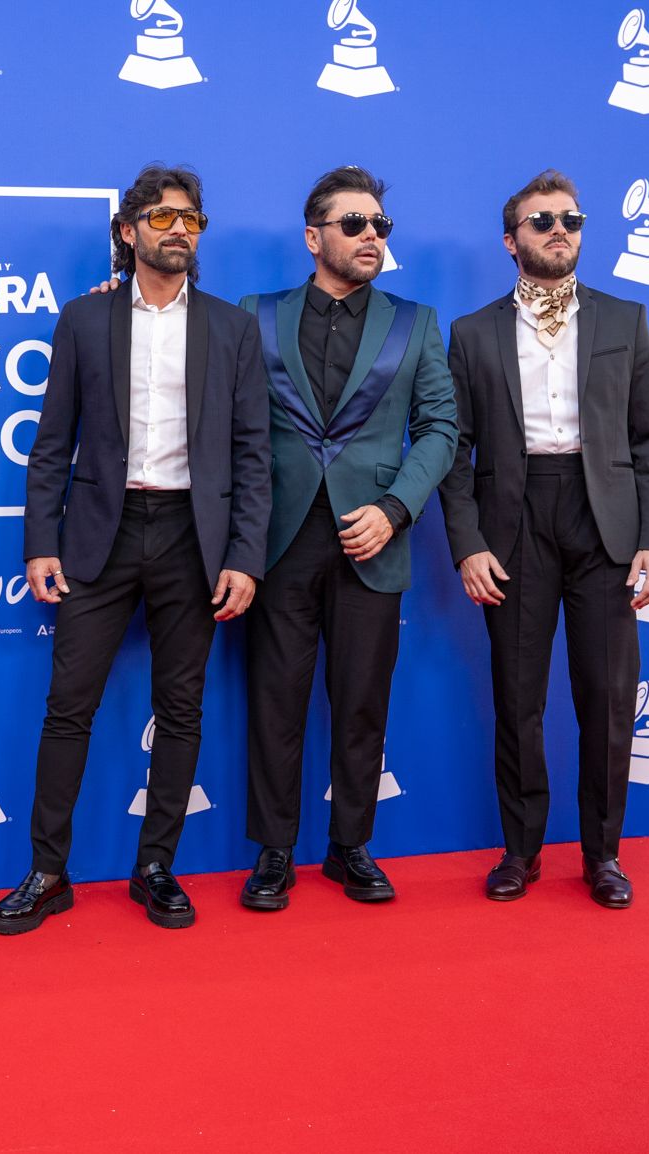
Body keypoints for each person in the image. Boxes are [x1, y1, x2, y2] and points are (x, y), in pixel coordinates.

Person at [0, 164, 271, 935]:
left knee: (180, 709)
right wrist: (39, 543)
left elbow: (253, 452)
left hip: (193, 538)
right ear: (127, 231)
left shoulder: (230, 327)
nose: (178, 229)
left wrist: (244, 555)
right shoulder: (84, 321)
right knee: (66, 708)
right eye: (162, 217)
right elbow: (51, 445)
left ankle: (155, 868)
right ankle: (48, 872)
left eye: (191, 219)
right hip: (97, 538)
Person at [438, 170, 649, 908]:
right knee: (517, 699)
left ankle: (602, 856)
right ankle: (520, 851)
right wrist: (467, 543)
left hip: (603, 519)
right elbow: (453, 449)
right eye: (540, 221)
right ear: (511, 240)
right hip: (510, 524)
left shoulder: (622, 320)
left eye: (570, 219)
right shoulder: (471, 333)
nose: (558, 230)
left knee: (606, 698)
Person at [237, 166, 457, 909]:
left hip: (372, 537)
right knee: (275, 700)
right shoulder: (253, 315)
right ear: (313, 237)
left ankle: (349, 846)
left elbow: (440, 428)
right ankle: (273, 852)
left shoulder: (414, 321)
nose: (372, 237)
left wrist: (394, 508)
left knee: (361, 700)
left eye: (380, 226)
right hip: (277, 537)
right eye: (354, 224)